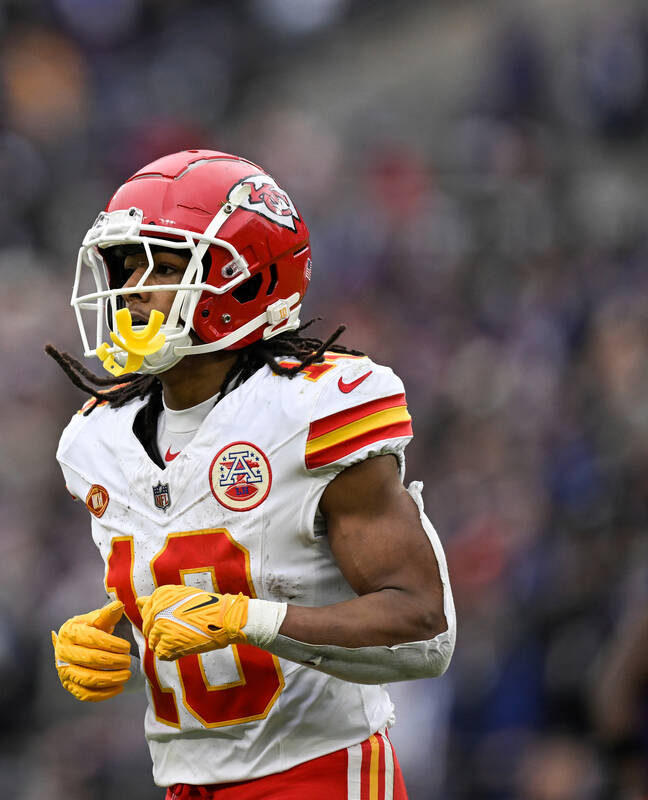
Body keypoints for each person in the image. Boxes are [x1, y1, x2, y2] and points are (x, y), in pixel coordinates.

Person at [47, 149, 456, 800]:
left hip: (317, 776)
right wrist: (114, 629)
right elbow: (212, 577)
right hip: (186, 785)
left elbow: (424, 633)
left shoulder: (315, 407)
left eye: (163, 264)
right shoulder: (95, 438)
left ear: (246, 279)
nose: (130, 288)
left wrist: (250, 622)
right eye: (125, 265)